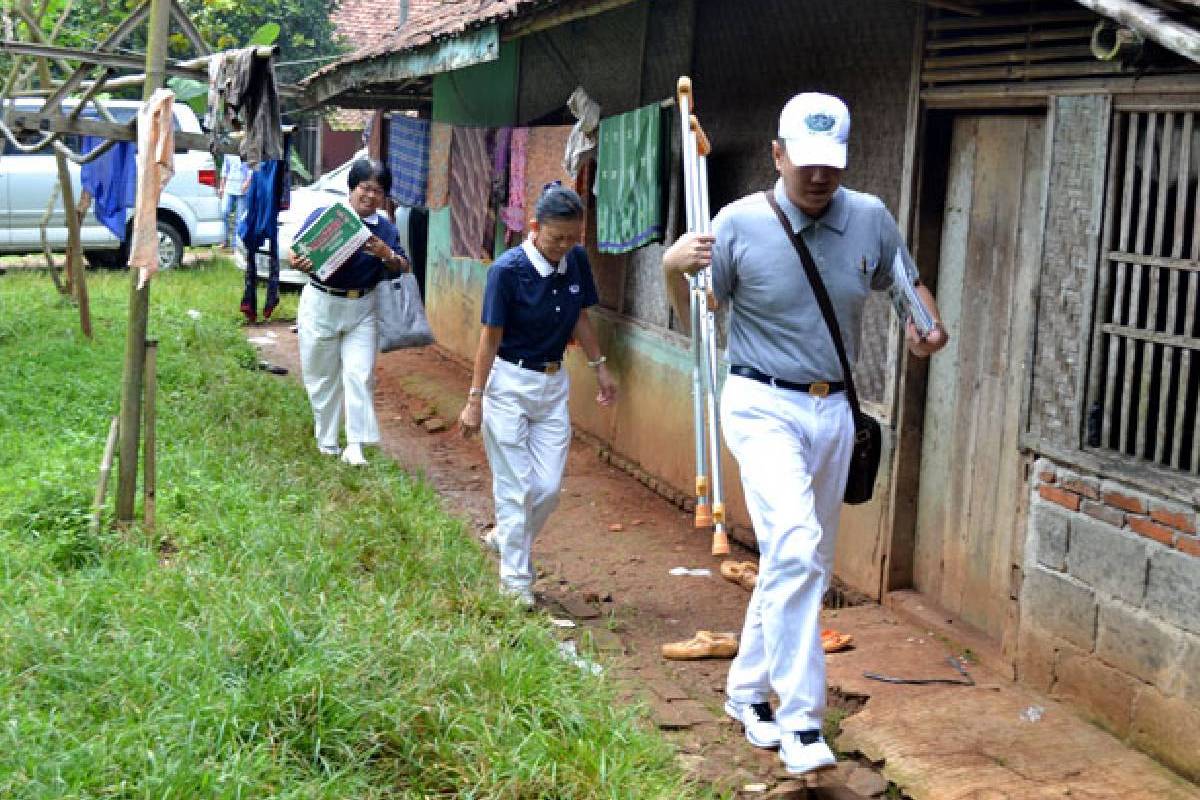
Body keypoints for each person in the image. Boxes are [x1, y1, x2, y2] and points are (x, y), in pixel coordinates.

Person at [661, 93, 949, 775]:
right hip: (761, 401)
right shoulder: (736, 225)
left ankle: (744, 691)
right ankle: (800, 722)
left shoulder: (870, 220)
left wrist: (926, 328)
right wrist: (675, 270)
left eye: (832, 166)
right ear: (778, 154)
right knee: (796, 543)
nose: (820, 178)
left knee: (802, 563)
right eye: (806, 164)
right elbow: (696, 319)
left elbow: (908, 287)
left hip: (835, 411)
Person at [458, 183, 618, 608]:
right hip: (508, 384)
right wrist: (475, 399)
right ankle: (515, 584)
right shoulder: (507, 272)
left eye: (572, 238)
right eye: (555, 238)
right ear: (534, 228)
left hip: (552, 385)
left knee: (546, 489)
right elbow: (489, 339)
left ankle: (502, 537)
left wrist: (600, 368)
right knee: (515, 488)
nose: (563, 246)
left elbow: (581, 316)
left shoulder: (576, 262)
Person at [291, 158, 410, 466]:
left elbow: (404, 265)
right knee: (321, 376)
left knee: (360, 375)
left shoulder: (384, 228)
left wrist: (388, 255)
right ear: (352, 188)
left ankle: (355, 444)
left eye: (378, 191)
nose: (370, 196)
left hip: (362, 308)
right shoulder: (329, 217)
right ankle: (327, 441)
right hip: (321, 302)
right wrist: (297, 261)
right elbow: (296, 250)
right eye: (365, 188)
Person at [218, 153, 250, 250]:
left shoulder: (248, 150)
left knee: (240, 218)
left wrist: (247, 182)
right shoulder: (228, 152)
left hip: (243, 188)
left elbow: (252, 169)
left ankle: (236, 244)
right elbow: (225, 170)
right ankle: (224, 239)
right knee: (224, 212)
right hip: (229, 186)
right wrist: (221, 187)